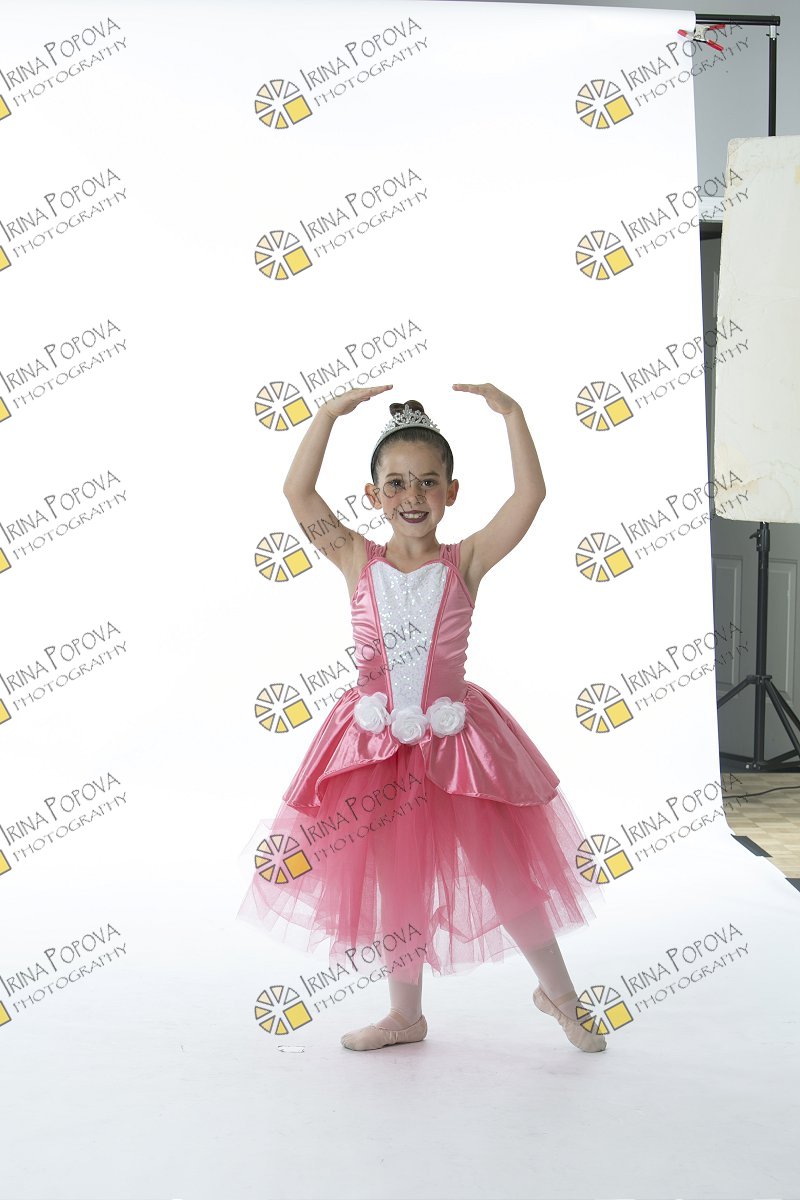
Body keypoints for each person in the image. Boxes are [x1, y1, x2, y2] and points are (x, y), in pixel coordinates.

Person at [237, 381, 608, 1053]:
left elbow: (529, 497)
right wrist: (326, 415)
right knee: (395, 881)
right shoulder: (356, 557)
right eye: (397, 484)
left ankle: (561, 995)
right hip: (373, 750)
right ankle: (405, 1015)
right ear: (374, 494)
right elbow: (298, 493)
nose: (413, 496)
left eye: (429, 482)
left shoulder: (466, 560)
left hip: (457, 746)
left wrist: (514, 416)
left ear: (451, 492)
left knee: (506, 874)